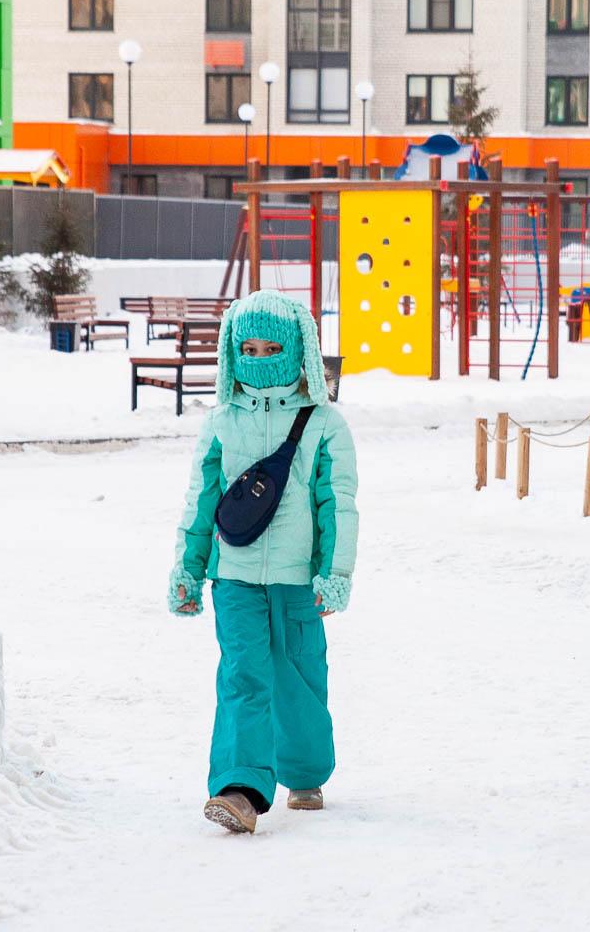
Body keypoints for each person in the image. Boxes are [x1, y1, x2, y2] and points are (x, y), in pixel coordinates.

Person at [170, 290, 358, 834]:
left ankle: (304, 771)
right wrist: (188, 566)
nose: (257, 358)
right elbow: (200, 500)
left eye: (271, 346)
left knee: (297, 675)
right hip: (233, 577)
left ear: (298, 348)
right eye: (246, 347)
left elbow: (337, 504)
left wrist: (335, 574)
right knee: (242, 675)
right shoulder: (221, 421)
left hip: (300, 579)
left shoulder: (324, 423)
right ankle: (240, 787)